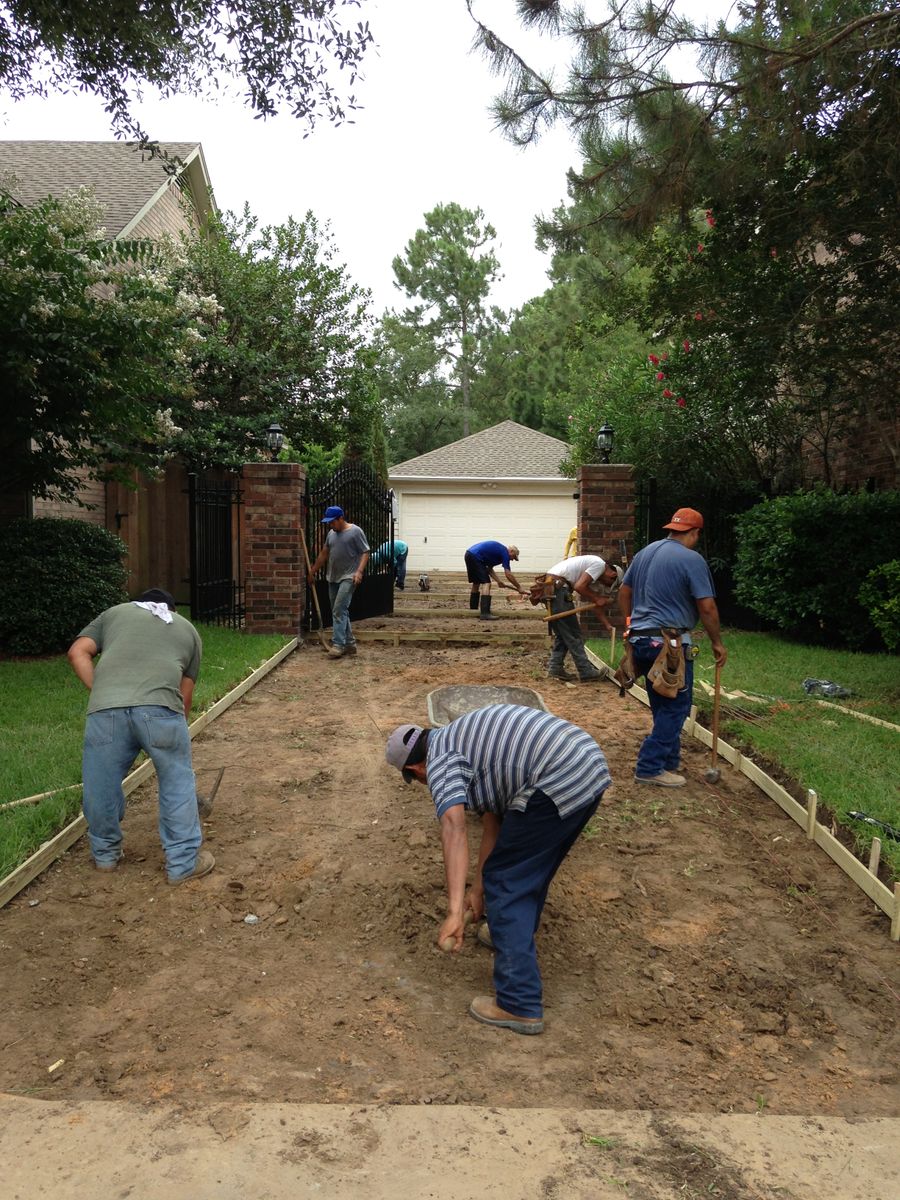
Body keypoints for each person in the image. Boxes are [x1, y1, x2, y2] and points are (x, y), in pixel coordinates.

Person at [385, 704, 611, 1035]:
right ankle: (511, 935)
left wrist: (452, 911)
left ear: (415, 769)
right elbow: (494, 822)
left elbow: (454, 828)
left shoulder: (440, 763)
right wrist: (476, 892)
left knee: (507, 880)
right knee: (524, 866)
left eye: (416, 779)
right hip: (585, 765)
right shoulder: (461, 740)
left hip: (559, 774)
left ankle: (518, 1003)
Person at [67, 588, 214, 885]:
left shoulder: (114, 614)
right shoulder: (187, 630)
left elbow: (77, 652)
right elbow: (183, 698)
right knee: (176, 780)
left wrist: (104, 692)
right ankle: (183, 863)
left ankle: (105, 856)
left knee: (100, 782)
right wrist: (171, 741)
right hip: (160, 709)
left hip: (106, 710)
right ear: (172, 611)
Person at [618, 508, 727, 787]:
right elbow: (707, 606)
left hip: (640, 640)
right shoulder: (692, 559)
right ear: (695, 533)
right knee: (677, 706)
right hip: (668, 644)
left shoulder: (645, 553)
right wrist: (716, 642)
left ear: (671, 529)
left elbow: (624, 591)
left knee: (662, 699)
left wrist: (630, 624)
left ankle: (669, 760)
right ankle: (650, 766)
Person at [543, 553, 623, 683]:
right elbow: (579, 587)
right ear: (612, 575)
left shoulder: (592, 570)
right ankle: (586, 671)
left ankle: (555, 667)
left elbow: (595, 604)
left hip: (554, 589)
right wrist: (598, 598)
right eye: (609, 584)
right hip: (558, 590)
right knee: (573, 634)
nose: (605, 585)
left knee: (564, 634)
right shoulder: (599, 565)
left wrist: (607, 624)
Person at [309, 505, 370, 659]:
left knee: (338, 610)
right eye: (329, 523)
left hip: (349, 577)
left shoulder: (355, 532)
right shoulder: (331, 534)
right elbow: (324, 554)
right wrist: (312, 571)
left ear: (341, 518)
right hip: (333, 577)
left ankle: (338, 645)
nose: (330, 525)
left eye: (332, 522)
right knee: (340, 611)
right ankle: (350, 644)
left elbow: (365, 552)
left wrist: (359, 571)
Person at [464, 540, 525, 621]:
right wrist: (519, 587)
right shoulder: (504, 552)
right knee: (487, 583)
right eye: (513, 557)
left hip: (469, 554)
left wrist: (499, 581)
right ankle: (485, 613)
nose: (513, 559)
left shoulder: (498, 553)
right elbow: (508, 574)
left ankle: (473, 610)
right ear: (511, 551)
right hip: (476, 557)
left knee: (476, 582)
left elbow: (489, 569)